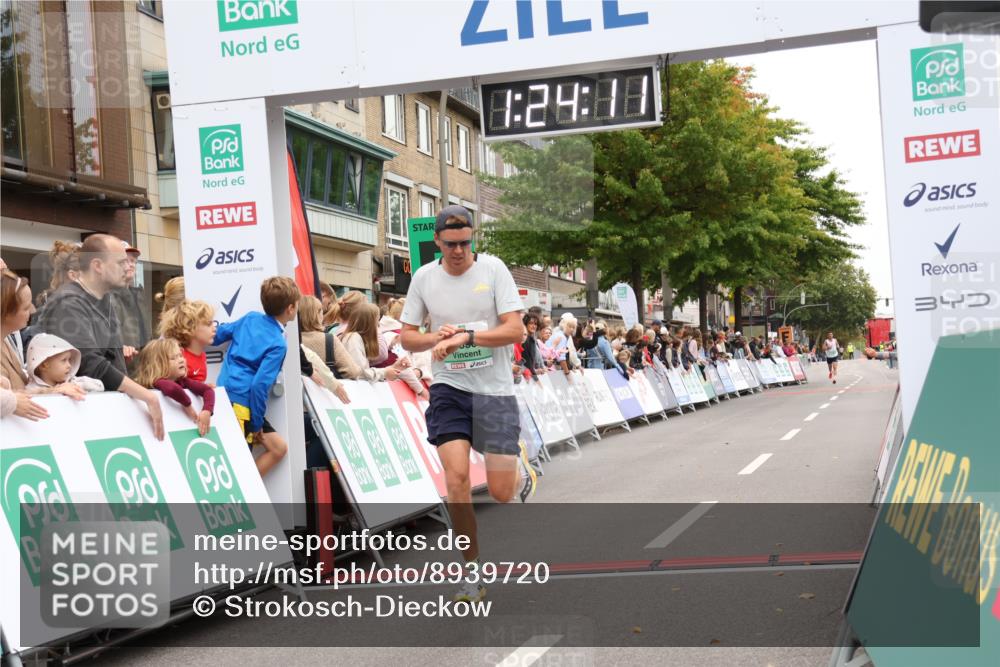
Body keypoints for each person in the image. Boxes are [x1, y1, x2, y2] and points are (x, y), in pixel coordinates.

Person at [399, 204, 535, 604]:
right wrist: (436, 340)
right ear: (437, 242)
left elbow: (515, 330)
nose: (459, 251)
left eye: (465, 243)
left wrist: (467, 338)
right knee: (456, 481)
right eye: (451, 244)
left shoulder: (493, 270)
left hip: (493, 390)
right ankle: (472, 572)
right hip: (449, 388)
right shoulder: (424, 278)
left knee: (501, 493)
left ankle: (518, 458)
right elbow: (407, 337)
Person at [27, 239, 168, 437]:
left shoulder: (102, 301)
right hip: (81, 420)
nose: (128, 266)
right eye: (121, 262)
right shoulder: (68, 303)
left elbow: (108, 360)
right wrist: (147, 396)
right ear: (97, 266)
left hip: (101, 414)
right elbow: (91, 363)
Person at [212, 276, 299, 476]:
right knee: (236, 469)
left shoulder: (250, 318)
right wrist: (257, 423)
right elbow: (259, 386)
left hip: (226, 396)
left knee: (279, 448)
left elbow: (218, 335)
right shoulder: (278, 343)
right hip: (242, 407)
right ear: (291, 308)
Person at [135, 338, 215, 436]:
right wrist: (188, 406)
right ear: (157, 364)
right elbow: (172, 388)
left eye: (180, 356)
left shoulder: (183, 381)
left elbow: (207, 390)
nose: (181, 360)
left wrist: (206, 411)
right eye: (173, 358)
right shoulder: (156, 382)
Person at [298, 295, 363, 380]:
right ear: (316, 314)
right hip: (327, 391)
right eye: (321, 311)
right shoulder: (329, 340)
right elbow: (352, 372)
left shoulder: (289, 341)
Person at [338, 303, 408, 383]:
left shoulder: (356, 338)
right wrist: (384, 372)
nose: (378, 324)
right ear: (369, 322)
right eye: (377, 320)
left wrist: (394, 367)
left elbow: (363, 371)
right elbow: (359, 373)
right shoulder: (353, 338)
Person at [159, 300, 216, 383]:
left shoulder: (202, 356)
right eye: (208, 324)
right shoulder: (179, 358)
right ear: (190, 327)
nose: (214, 328)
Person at [111, 240, 151, 357]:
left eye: (133, 261)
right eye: (125, 261)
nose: (131, 264)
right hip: (121, 371)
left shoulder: (138, 296)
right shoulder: (104, 297)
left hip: (143, 370)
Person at [25, 333, 103, 394]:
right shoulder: (32, 389)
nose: (69, 365)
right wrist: (52, 391)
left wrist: (77, 386)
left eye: (69, 360)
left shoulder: (72, 381)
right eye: (64, 360)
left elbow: (100, 386)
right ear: (44, 365)